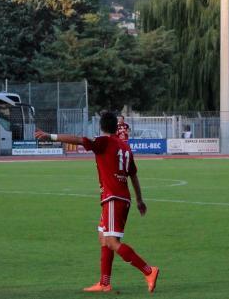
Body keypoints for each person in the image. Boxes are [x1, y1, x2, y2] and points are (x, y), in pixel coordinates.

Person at [35, 111, 159, 293]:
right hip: (121, 197)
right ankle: (104, 283)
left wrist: (49, 136)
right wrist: (140, 200)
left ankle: (148, 270)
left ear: (100, 126)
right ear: (117, 127)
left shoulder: (103, 142)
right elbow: (133, 175)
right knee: (103, 236)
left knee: (111, 242)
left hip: (113, 198)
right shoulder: (124, 147)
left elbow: (77, 139)